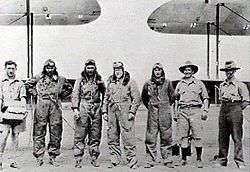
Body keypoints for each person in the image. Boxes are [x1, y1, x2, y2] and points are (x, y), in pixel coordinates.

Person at [26, 59, 72, 167]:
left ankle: (53, 156)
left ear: (54, 68)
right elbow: (28, 85)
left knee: (56, 131)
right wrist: (35, 93)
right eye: (47, 68)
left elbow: (69, 88)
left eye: (51, 68)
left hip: (55, 106)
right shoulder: (38, 77)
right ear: (44, 68)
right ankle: (39, 156)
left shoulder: (60, 79)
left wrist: (61, 95)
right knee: (39, 130)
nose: (49, 70)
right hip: (41, 104)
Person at [102, 61, 141, 169]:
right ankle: (115, 160)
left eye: (119, 69)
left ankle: (132, 161)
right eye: (115, 69)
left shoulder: (130, 82)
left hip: (125, 111)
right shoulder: (111, 82)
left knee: (128, 137)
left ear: (123, 70)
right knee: (112, 136)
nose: (117, 71)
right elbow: (106, 98)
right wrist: (104, 112)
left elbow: (136, 98)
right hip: (112, 111)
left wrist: (132, 112)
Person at [214, 61, 249, 169]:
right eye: (227, 70)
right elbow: (220, 98)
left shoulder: (240, 85)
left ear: (234, 71)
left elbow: (246, 101)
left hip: (235, 109)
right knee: (222, 136)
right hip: (224, 109)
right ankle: (222, 160)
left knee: (237, 136)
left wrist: (236, 109)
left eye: (231, 70)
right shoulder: (222, 85)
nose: (229, 72)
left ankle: (239, 161)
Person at [174, 61, 209, 168]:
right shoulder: (180, 84)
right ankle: (184, 159)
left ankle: (199, 159)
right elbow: (176, 99)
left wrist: (205, 111)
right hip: (183, 111)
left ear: (193, 71)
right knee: (183, 136)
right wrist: (175, 112)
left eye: (189, 70)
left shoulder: (199, 83)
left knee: (197, 135)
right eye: (185, 70)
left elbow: (205, 98)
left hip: (195, 111)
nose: (187, 72)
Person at [71, 59, 106, 168]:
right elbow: (75, 94)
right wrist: (75, 109)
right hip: (83, 106)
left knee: (95, 134)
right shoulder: (80, 80)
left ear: (95, 68)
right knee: (80, 134)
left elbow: (105, 95)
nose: (90, 70)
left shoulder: (99, 80)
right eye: (88, 68)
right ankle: (78, 158)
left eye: (92, 68)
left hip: (96, 107)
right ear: (85, 68)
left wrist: (103, 109)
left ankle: (94, 157)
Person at [141, 63, 175, 168]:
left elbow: (172, 97)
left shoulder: (168, 82)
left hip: (165, 112)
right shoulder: (148, 83)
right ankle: (150, 159)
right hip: (153, 112)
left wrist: (164, 105)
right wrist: (151, 106)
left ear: (162, 71)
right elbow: (144, 97)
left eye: (159, 70)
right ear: (153, 71)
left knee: (166, 136)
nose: (157, 72)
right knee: (151, 136)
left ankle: (167, 159)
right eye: (155, 70)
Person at [0, 60, 27, 170]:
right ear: (5, 69)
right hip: (5, 113)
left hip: (17, 113)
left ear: (16, 69)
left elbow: (23, 98)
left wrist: (24, 110)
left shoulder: (20, 83)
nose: (10, 70)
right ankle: (0, 162)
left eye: (12, 68)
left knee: (15, 137)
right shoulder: (1, 83)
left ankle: (13, 161)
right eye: (8, 68)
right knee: (3, 137)